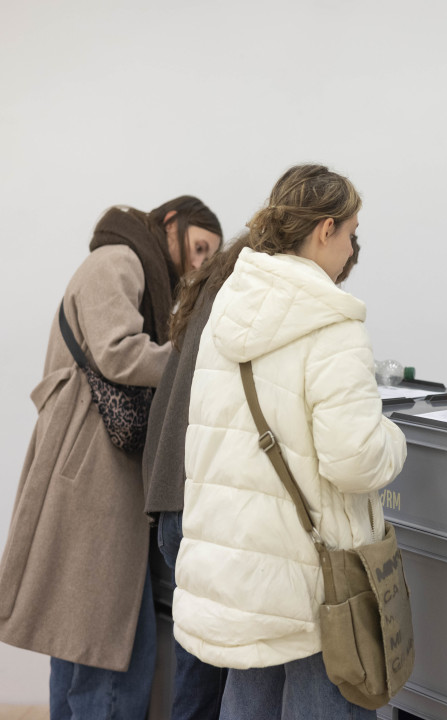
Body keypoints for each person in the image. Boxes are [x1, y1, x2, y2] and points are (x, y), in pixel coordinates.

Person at [172, 164, 406, 720]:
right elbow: (354, 460)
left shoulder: (226, 313)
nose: (352, 249)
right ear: (325, 229)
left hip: (237, 572)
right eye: (351, 232)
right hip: (314, 585)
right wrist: (393, 437)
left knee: (247, 704)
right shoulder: (333, 324)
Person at [0, 197, 222, 719]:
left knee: (78, 643)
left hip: (87, 470)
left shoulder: (129, 266)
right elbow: (118, 351)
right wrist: (195, 357)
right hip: (90, 472)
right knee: (111, 648)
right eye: (198, 248)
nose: (198, 264)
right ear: (171, 223)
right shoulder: (118, 259)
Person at [143, 229, 361, 720]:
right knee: (223, 681)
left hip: (180, 499)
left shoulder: (228, 291)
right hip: (214, 513)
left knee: (207, 674)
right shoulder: (269, 305)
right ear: (321, 239)